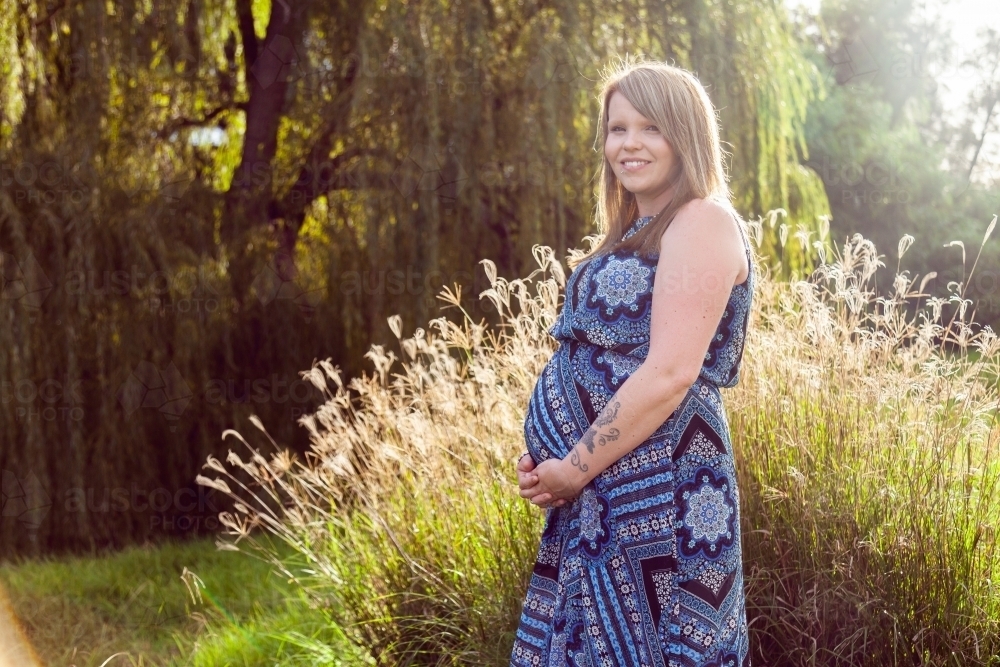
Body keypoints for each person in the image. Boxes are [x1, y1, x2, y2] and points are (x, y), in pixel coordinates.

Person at [510, 58, 755, 667]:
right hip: (601, 487)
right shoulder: (631, 230)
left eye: (650, 127)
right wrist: (552, 460)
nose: (630, 144)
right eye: (617, 129)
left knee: (653, 643)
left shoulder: (701, 221)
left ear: (685, 135)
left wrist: (575, 462)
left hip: (661, 484)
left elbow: (671, 371)